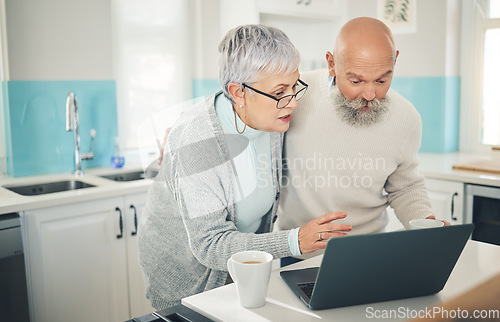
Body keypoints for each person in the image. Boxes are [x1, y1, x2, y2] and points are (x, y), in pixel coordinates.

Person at [137, 24, 352, 309]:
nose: (293, 103)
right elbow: (210, 244)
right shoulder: (197, 140)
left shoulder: (270, 118)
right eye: (280, 91)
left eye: (294, 86)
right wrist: (294, 241)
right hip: (187, 281)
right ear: (238, 92)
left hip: (240, 272)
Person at [276, 17, 448, 243]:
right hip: (297, 254)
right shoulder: (296, 98)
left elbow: (405, 188)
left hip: (367, 252)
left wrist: (426, 222)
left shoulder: (406, 118)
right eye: (356, 81)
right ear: (332, 63)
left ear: (395, 61)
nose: (370, 94)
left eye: (381, 80)